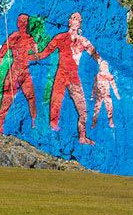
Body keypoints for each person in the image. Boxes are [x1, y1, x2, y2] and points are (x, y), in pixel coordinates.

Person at [33, 12, 101, 145]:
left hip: (74, 77)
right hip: (61, 74)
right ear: (69, 21)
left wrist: (102, 65)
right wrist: (34, 53)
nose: (77, 21)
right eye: (74, 18)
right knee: (55, 103)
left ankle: (82, 137)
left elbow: (96, 56)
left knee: (83, 110)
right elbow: (43, 54)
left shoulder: (83, 41)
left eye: (79, 20)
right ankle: (52, 129)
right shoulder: (60, 37)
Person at [0, 14, 39, 133]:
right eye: (21, 21)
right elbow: (2, 53)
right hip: (14, 72)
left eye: (25, 21)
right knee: (7, 97)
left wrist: (33, 51)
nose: (23, 23)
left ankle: (34, 122)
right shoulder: (14, 37)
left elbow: (36, 56)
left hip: (25, 73)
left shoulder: (30, 39)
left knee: (31, 97)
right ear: (18, 23)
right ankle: (0, 125)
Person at [92, 60, 121, 128]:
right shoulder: (98, 75)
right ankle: (94, 123)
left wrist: (117, 95)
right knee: (96, 109)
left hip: (107, 95)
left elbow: (114, 85)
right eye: (103, 66)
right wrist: (92, 95)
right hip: (99, 94)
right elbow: (94, 86)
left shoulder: (109, 75)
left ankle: (111, 121)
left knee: (110, 107)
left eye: (105, 66)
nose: (104, 67)